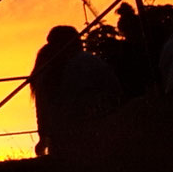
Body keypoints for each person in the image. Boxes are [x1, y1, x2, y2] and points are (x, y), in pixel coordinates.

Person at [31, 25, 122, 156]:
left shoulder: (53, 69)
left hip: (71, 134)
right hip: (98, 128)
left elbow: (45, 107)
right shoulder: (88, 61)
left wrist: (44, 135)